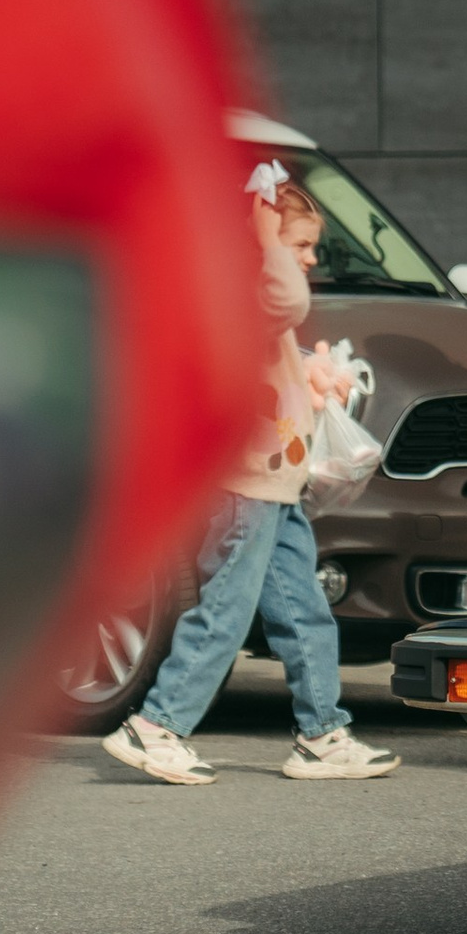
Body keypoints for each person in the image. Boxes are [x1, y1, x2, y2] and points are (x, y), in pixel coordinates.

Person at [103, 174, 401, 786]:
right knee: (225, 612)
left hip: (274, 487)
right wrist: (266, 234)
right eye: (302, 245)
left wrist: (315, 374)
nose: (311, 259)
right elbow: (287, 302)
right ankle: (157, 727)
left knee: (305, 610)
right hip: (245, 489)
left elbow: (276, 366)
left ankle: (322, 732)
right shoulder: (246, 292)